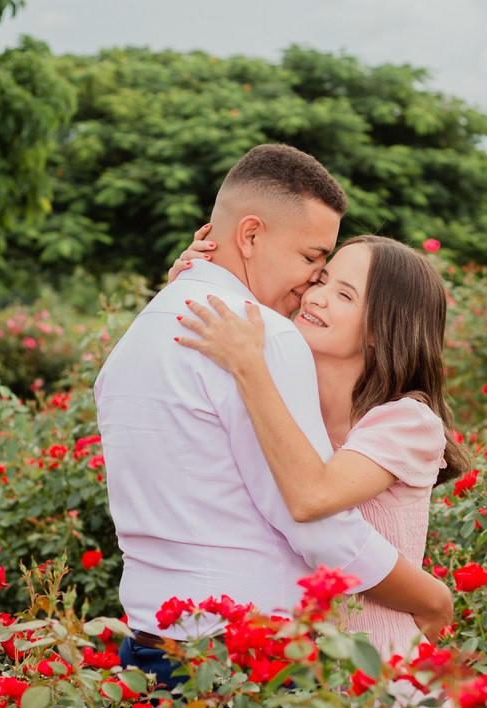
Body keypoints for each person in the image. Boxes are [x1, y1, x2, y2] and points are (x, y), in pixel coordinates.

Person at [94, 144, 453, 688]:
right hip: (245, 658)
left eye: (334, 280)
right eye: (314, 261)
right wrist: (431, 594)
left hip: (149, 646)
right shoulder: (261, 340)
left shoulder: (140, 334)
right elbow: (316, 521)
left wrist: (188, 282)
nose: (313, 285)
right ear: (252, 235)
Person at [173, 233, 470, 659]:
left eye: (344, 295)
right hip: (302, 675)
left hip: (381, 672)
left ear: (380, 328)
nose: (316, 297)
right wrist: (195, 277)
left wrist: (248, 365)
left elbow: (315, 496)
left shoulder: (407, 420)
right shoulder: (291, 398)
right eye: (322, 280)